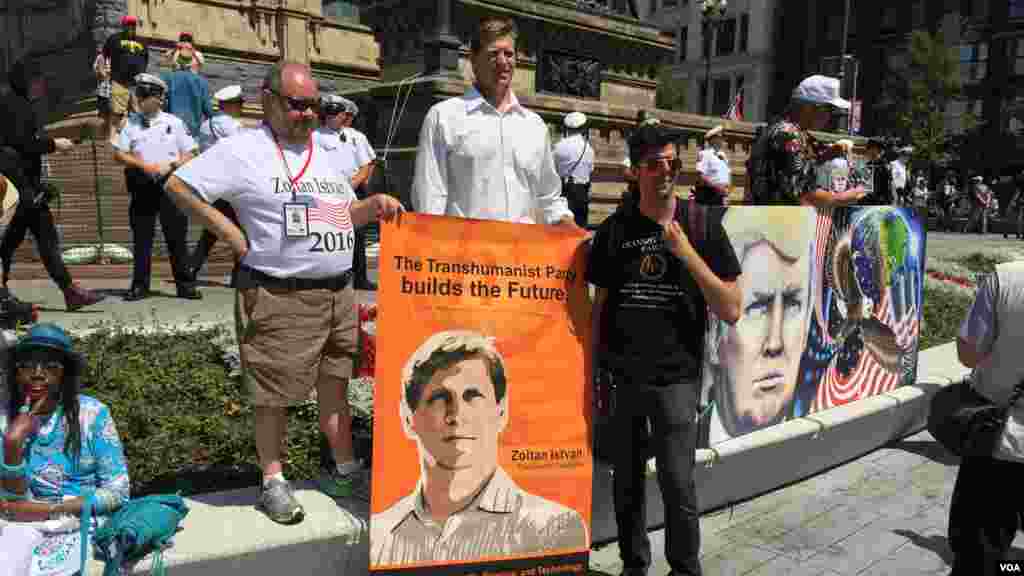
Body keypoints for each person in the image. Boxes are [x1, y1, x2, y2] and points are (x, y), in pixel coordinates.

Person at [163, 60, 404, 524]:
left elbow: (336, 215)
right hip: (279, 293)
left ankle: (344, 470)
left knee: (336, 386)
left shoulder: (324, 152)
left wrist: (370, 207)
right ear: (268, 100)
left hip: (338, 295)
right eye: (297, 105)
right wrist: (230, 233)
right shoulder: (242, 149)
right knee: (271, 394)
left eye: (313, 104)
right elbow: (179, 185)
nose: (308, 113)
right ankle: (273, 481)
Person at [587, 122, 742, 576]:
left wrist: (685, 252)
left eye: (673, 163)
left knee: (678, 483)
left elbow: (731, 307)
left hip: (678, 378)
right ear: (635, 171)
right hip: (623, 377)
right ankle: (633, 565)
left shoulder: (702, 225)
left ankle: (685, 569)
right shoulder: (614, 231)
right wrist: (590, 374)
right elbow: (600, 307)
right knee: (627, 483)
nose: (667, 172)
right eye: (655, 164)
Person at [370, 330, 588, 565]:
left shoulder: (552, 530)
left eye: (472, 396)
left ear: (501, 412)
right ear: (408, 419)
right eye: (439, 398)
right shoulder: (379, 535)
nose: (456, 415)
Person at [411, 16, 577, 229]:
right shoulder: (443, 117)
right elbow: (430, 197)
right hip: (467, 248)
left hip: (523, 247)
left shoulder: (534, 126)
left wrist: (565, 221)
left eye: (508, 54)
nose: (502, 62)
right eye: (493, 54)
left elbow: (548, 196)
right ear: (473, 59)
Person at [0, 323, 130, 572]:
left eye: (51, 366)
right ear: (15, 372)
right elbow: (12, 501)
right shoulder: (5, 419)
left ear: (65, 374)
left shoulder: (91, 414)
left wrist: (54, 509)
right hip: (23, 523)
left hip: (80, 520)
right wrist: (13, 443)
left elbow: (118, 490)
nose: (38, 374)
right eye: (27, 365)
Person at [702, 207, 814, 445]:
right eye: (757, 308)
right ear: (714, 335)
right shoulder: (684, 441)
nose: (774, 344)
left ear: (806, 331)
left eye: (793, 305)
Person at [0, 57, 106, 311]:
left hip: (28, 187)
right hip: (18, 188)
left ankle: (70, 291)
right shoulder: (13, 104)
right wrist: (54, 144)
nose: (42, 86)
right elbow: (20, 143)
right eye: (37, 81)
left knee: (38, 240)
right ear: (25, 81)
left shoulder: (20, 104)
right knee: (13, 243)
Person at [948, 261, 1024, 575]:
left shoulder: (1007, 279)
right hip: (1000, 442)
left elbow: (968, 354)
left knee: (979, 557)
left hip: (997, 441)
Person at [112, 73, 201, 301]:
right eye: (139, 95)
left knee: (176, 237)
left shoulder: (174, 123)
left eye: (144, 96)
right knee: (142, 239)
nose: (139, 99)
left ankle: (185, 286)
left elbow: (191, 152)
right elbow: (119, 154)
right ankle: (140, 286)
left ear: (159, 98)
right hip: (141, 186)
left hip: (170, 185)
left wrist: (170, 165)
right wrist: (144, 166)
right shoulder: (131, 123)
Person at [755, 75, 866, 207]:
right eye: (829, 109)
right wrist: (848, 196)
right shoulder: (788, 135)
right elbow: (806, 195)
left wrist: (825, 156)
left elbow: (791, 169)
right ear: (809, 108)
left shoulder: (778, 128)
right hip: (779, 217)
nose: (830, 116)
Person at [189, 84, 246, 284]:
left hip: (213, 184)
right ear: (229, 105)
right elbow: (243, 153)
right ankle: (239, 275)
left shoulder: (206, 125)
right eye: (238, 103)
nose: (241, 107)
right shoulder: (233, 126)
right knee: (242, 229)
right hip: (233, 184)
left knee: (213, 229)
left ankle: (192, 267)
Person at [339, 97, 378, 290]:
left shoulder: (357, 137)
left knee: (358, 235)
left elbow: (369, 162)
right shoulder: (318, 134)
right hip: (331, 190)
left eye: (346, 115)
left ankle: (360, 277)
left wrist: (362, 182)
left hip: (354, 189)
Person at [101, 15, 149, 143]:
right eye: (128, 24)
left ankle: (137, 139)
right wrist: (103, 70)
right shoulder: (114, 39)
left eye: (133, 24)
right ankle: (112, 138)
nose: (131, 27)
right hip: (119, 81)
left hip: (136, 83)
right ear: (123, 26)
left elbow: (145, 60)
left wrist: (142, 77)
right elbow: (103, 55)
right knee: (117, 111)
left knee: (138, 111)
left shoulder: (142, 41)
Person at [160, 46, 214, 140]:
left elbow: (160, 104)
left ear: (176, 61)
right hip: (192, 133)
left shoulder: (167, 78)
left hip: (169, 130)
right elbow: (208, 110)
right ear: (191, 62)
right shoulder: (201, 82)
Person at [553, 111, 595, 228]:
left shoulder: (558, 147)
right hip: (582, 192)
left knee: (561, 229)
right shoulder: (589, 149)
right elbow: (590, 170)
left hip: (563, 192)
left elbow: (552, 170)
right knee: (580, 228)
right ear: (583, 128)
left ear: (566, 128)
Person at [694, 125, 731, 205]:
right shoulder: (705, 154)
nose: (723, 140)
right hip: (709, 196)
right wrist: (717, 188)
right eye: (721, 137)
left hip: (722, 197)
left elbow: (727, 174)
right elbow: (701, 176)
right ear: (713, 139)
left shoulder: (722, 155)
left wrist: (727, 190)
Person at [863, 138, 893, 205]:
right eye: (868, 148)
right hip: (868, 201)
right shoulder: (868, 165)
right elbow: (866, 185)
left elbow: (888, 186)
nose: (868, 151)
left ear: (876, 150)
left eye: (870, 148)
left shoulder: (884, 165)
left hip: (881, 202)